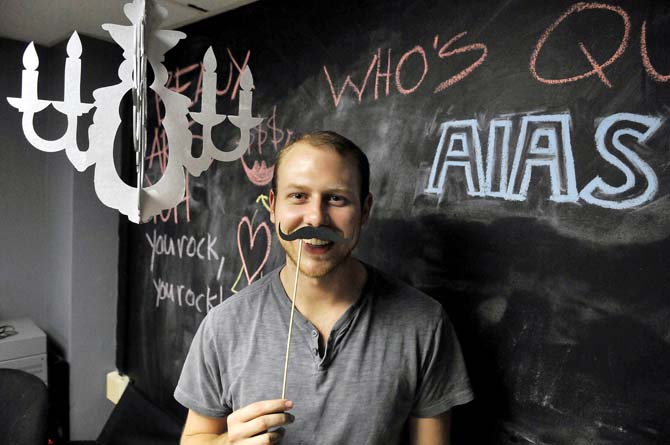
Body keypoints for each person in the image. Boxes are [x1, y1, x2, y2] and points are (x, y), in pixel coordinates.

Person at [175, 131, 474, 444]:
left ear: (365, 210)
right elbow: (195, 438)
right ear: (274, 206)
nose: (316, 217)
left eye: (336, 198)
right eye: (298, 196)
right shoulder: (223, 326)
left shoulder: (423, 325)